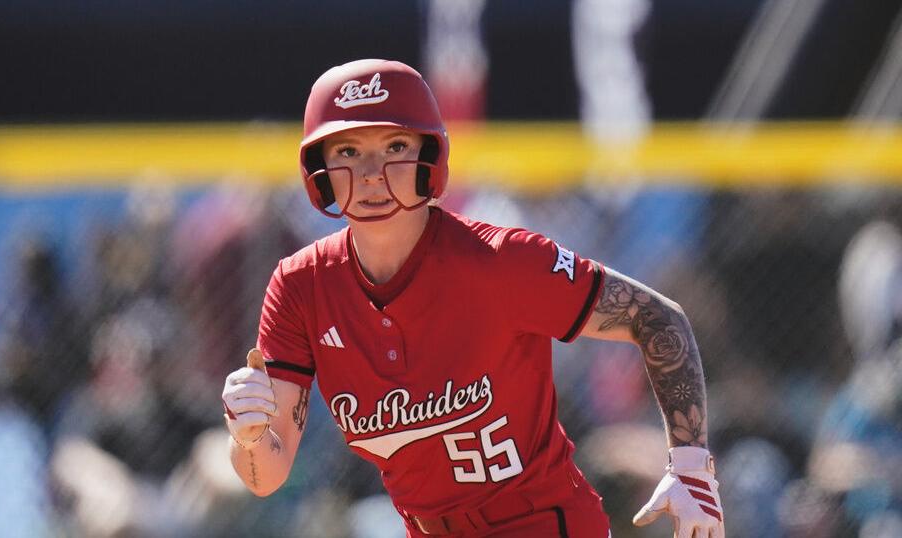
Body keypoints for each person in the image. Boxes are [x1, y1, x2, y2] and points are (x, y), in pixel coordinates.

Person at [222, 59, 725, 537]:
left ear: (430, 159)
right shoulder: (300, 286)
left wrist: (690, 464)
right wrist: (247, 437)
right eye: (348, 152)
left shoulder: (499, 261)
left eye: (395, 146)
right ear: (320, 170)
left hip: (544, 524)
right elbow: (265, 475)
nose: (373, 173)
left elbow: (657, 317)